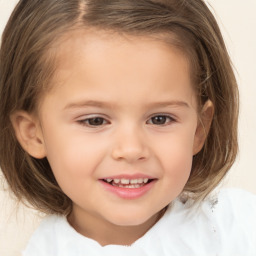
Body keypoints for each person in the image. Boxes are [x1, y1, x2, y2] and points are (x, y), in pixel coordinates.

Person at [0, 0, 255, 255]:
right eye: (95, 120)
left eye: (160, 119)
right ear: (33, 133)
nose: (131, 149)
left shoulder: (239, 228)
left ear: (199, 128)